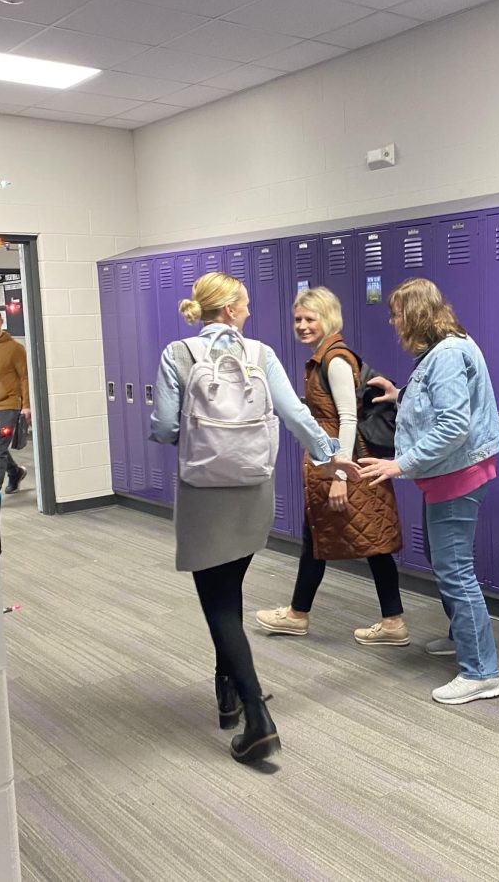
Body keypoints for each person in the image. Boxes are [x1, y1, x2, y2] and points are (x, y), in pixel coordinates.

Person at [150, 272, 357, 764]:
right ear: (231, 310)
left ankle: (256, 714)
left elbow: (162, 428)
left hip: (204, 492)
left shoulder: (177, 354)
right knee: (231, 589)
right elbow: (297, 416)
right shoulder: (261, 354)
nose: (249, 312)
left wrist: (202, 441)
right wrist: (331, 457)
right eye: (245, 305)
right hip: (253, 490)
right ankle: (228, 692)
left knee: (218, 604)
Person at [357, 278, 499, 706]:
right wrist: (399, 394)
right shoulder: (448, 347)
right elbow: (438, 402)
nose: (393, 321)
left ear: (417, 314)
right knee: (446, 564)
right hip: (449, 475)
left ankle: (481, 672)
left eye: (398, 313)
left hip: (456, 476)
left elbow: (453, 426)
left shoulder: (447, 354)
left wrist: (398, 463)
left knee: (455, 570)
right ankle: (465, 640)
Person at [255, 287, 407, 646]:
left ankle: (385, 622)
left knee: (369, 541)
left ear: (329, 320)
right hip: (337, 461)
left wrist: (340, 473)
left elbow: (348, 418)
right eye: (298, 319)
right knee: (329, 537)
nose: (303, 325)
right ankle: (303, 614)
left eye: (311, 318)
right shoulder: (323, 357)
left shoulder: (335, 360)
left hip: (345, 463)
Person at [0, 307, 30, 494]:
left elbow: (24, 377)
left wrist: (26, 406)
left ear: (0, 321)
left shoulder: (15, 348)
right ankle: (15, 472)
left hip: (8, 404)